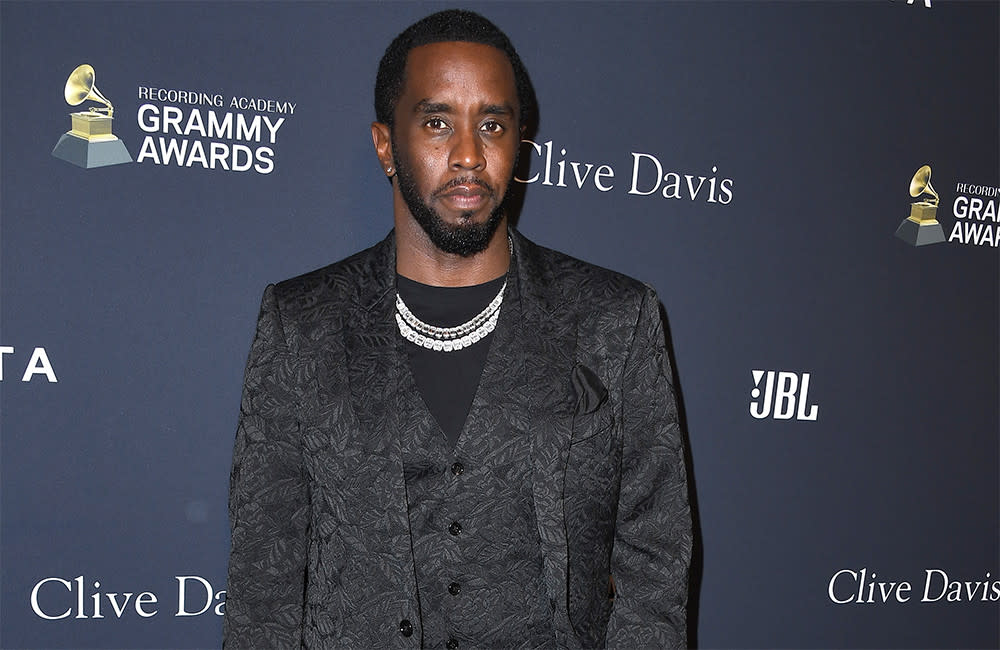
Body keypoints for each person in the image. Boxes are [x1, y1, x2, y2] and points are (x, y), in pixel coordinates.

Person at [224, 9, 691, 649]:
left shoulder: (614, 318)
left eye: (492, 125)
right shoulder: (303, 322)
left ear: (518, 142)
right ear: (387, 143)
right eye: (438, 122)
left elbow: (654, 562)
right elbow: (264, 585)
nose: (469, 154)